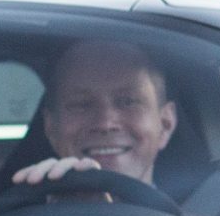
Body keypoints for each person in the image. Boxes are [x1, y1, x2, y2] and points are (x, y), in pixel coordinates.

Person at [10, 38, 177, 188]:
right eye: (81, 105)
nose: (105, 123)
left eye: (128, 102)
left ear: (165, 124)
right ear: (51, 128)